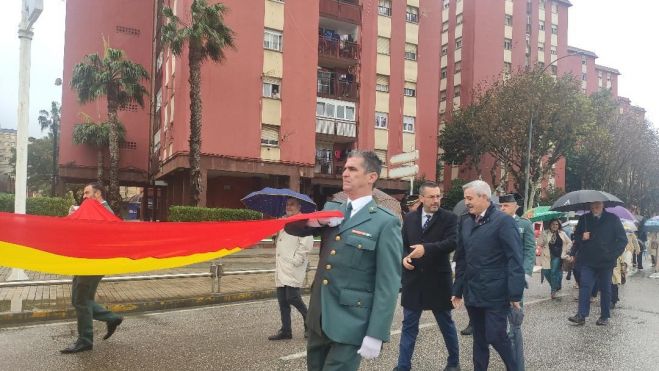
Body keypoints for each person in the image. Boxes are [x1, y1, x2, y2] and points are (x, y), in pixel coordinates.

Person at [285, 150, 402, 371]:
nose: (345, 173)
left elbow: (388, 283)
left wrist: (376, 333)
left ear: (371, 177)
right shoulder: (332, 210)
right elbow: (291, 227)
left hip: (351, 322)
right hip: (319, 318)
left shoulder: (385, 223)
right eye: (345, 169)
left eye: (353, 169)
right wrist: (315, 223)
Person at [451, 181, 525, 371]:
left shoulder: (503, 221)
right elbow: (462, 258)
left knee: (495, 335)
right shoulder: (465, 221)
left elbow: (515, 259)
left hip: (495, 291)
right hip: (472, 290)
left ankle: (514, 366)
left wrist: (515, 294)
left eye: (470, 198)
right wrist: (457, 290)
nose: (466, 202)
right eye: (465, 198)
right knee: (479, 338)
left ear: (484, 197)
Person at [395, 181, 459, 371]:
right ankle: (403, 366)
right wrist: (403, 258)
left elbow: (452, 242)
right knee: (408, 326)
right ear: (421, 198)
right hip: (413, 280)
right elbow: (402, 244)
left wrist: (426, 249)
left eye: (438, 196)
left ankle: (454, 362)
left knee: (446, 324)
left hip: (438, 281)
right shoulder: (410, 218)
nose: (436, 200)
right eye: (431, 197)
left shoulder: (450, 218)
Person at [61, 182, 124, 354]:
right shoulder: (93, 211)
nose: (84, 196)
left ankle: (85, 340)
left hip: (93, 264)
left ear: (98, 194)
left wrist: (76, 218)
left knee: (81, 301)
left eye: (87, 193)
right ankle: (112, 318)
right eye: (83, 194)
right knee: (79, 300)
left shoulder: (104, 211)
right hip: (85, 262)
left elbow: (99, 236)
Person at [567, 201, 627, 326]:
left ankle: (604, 316)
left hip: (606, 261)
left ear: (603, 205)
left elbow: (623, 240)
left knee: (605, 289)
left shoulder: (612, 219)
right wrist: (582, 237)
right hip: (588, 260)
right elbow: (576, 238)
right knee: (585, 286)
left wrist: (613, 254)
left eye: (598, 205)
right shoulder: (584, 219)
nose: (595, 208)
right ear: (590, 206)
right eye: (593, 206)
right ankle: (581, 315)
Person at [498, 193, 536, 371]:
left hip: (516, 278)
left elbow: (529, 250)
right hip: (497, 277)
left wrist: (525, 273)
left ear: (515, 207)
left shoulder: (524, 224)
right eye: (501, 206)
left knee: (514, 324)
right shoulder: (495, 223)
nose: (502, 209)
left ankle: (517, 367)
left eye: (506, 206)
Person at [268, 198, 314, 341]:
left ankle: (310, 326)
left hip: (293, 265)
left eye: (292, 204)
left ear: (299, 206)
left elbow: (306, 243)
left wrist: (297, 260)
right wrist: (277, 228)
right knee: (282, 300)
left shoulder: (302, 221)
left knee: (293, 297)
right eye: (287, 204)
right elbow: (279, 241)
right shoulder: (283, 222)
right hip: (281, 265)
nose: (289, 207)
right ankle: (286, 330)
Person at [537, 219, 572, 299]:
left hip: (558, 256)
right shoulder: (545, 233)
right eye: (553, 224)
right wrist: (543, 240)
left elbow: (569, 242)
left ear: (559, 226)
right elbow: (539, 243)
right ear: (550, 225)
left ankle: (553, 290)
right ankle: (556, 285)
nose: (555, 226)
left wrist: (567, 249)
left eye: (556, 224)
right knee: (546, 272)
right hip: (547, 256)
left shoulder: (562, 233)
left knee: (553, 272)